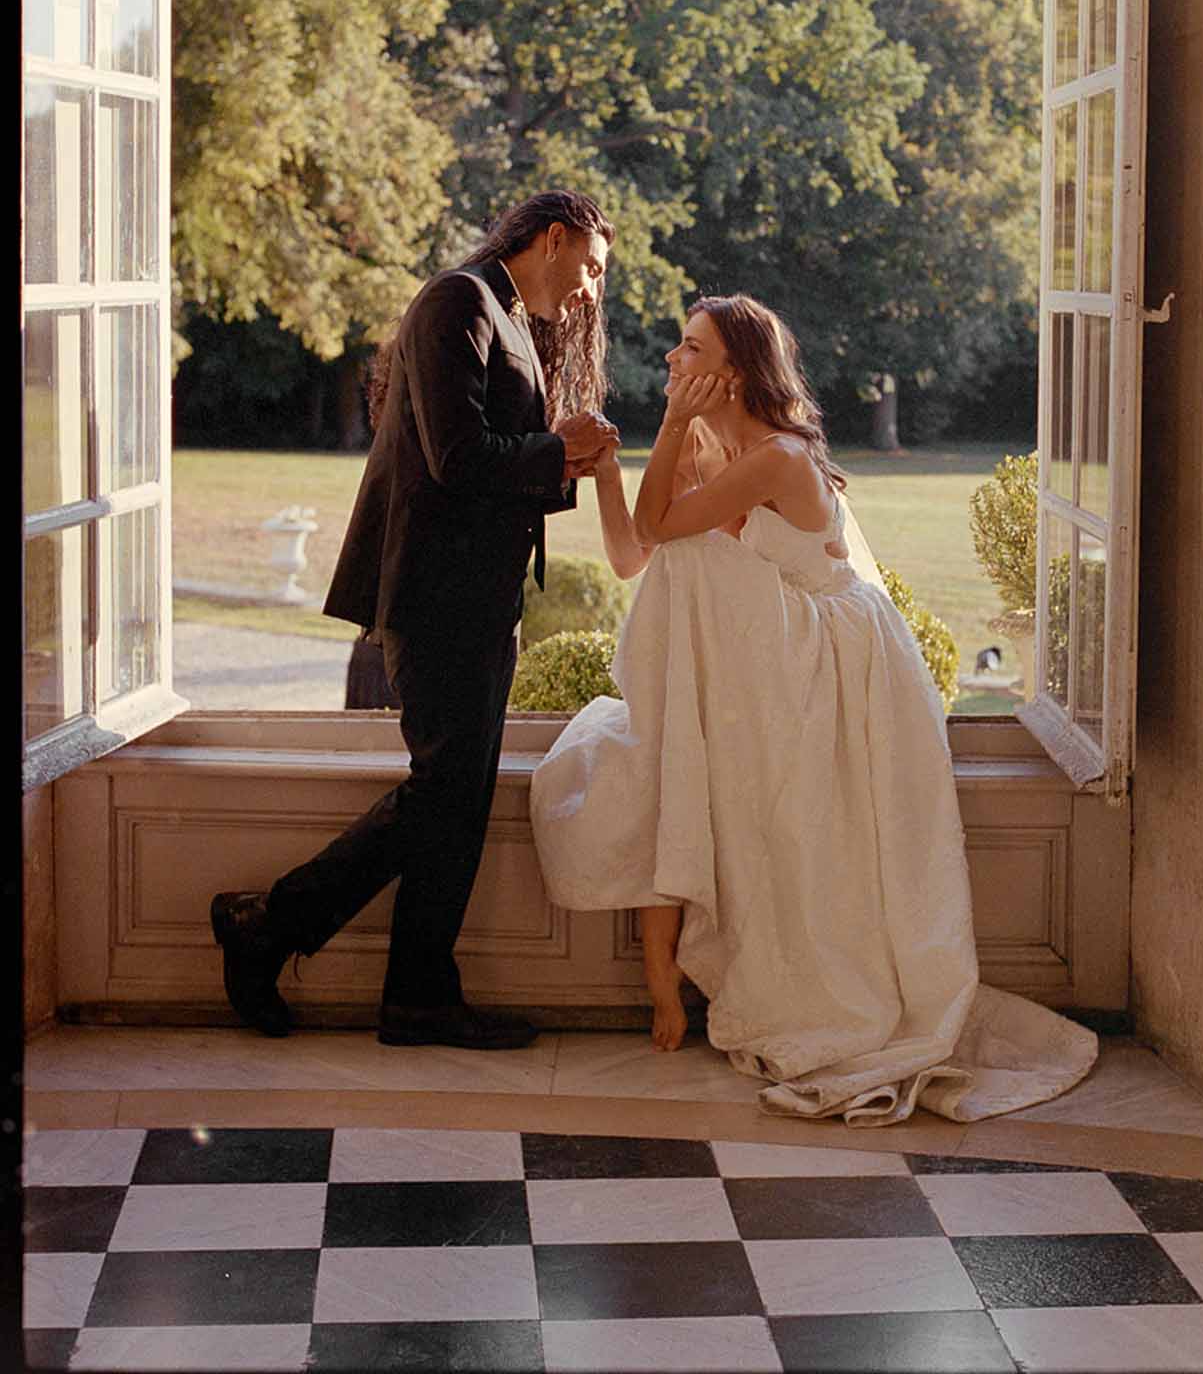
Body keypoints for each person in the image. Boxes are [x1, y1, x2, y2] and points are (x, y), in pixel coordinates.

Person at [531, 294, 1099, 1124]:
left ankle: (792, 986)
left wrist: (659, 442)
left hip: (825, 655)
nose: (670, 363)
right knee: (653, 752)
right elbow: (632, 554)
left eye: (688, 351)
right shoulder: (702, 442)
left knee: (728, 741)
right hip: (761, 648)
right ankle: (667, 980)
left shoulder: (775, 454)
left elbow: (662, 527)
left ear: (730, 373)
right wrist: (614, 474)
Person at [211, 190, 619, 1050]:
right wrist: (562, 448)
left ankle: (417, 998)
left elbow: (490, 463)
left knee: (457, 802)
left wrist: (562, 457)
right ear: (553, 239)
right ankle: (268, 923)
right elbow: (457, 457)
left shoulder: (505, 314)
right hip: (435, 597)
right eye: (588, 268)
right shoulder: (457, 302)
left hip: (478, 600)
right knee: (445, 793)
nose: (588, 291)